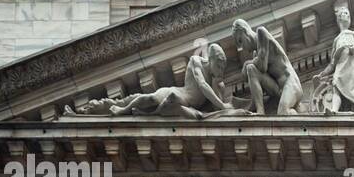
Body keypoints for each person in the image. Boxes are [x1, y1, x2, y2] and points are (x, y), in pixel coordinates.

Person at [66, 43, 243, 119]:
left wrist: (219, 84)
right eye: (219, 66)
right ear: (211, 59)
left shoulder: (216, 78)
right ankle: (122, 109)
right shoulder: (196, 61)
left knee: (176, 107)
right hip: (178, 94)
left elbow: (215, 101)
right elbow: (202, 86)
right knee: (150, 99)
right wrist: (223, 105)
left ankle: (148, 115)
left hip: (185, 106)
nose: (220, 71)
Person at [231, 18, 302, 115]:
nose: (243, 47)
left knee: (283, 113)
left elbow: (262, 66)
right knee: (251, 69)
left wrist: (246, 63)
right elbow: (256, 80)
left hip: (290, 83)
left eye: (240, 40)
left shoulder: (261, 33)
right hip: (277, 89)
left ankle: (297, 116)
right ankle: (260, 112)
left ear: (245, 31)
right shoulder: (256, 54)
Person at [315, 4, 354, 114]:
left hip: (353, 67)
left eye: (348, 14)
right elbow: (332, 63)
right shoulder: (336, 40)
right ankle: (333, 110)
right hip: (340, 68)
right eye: (344, 13)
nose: (346, 15)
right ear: (339, 18)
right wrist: (323, 73)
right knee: (336, 87)